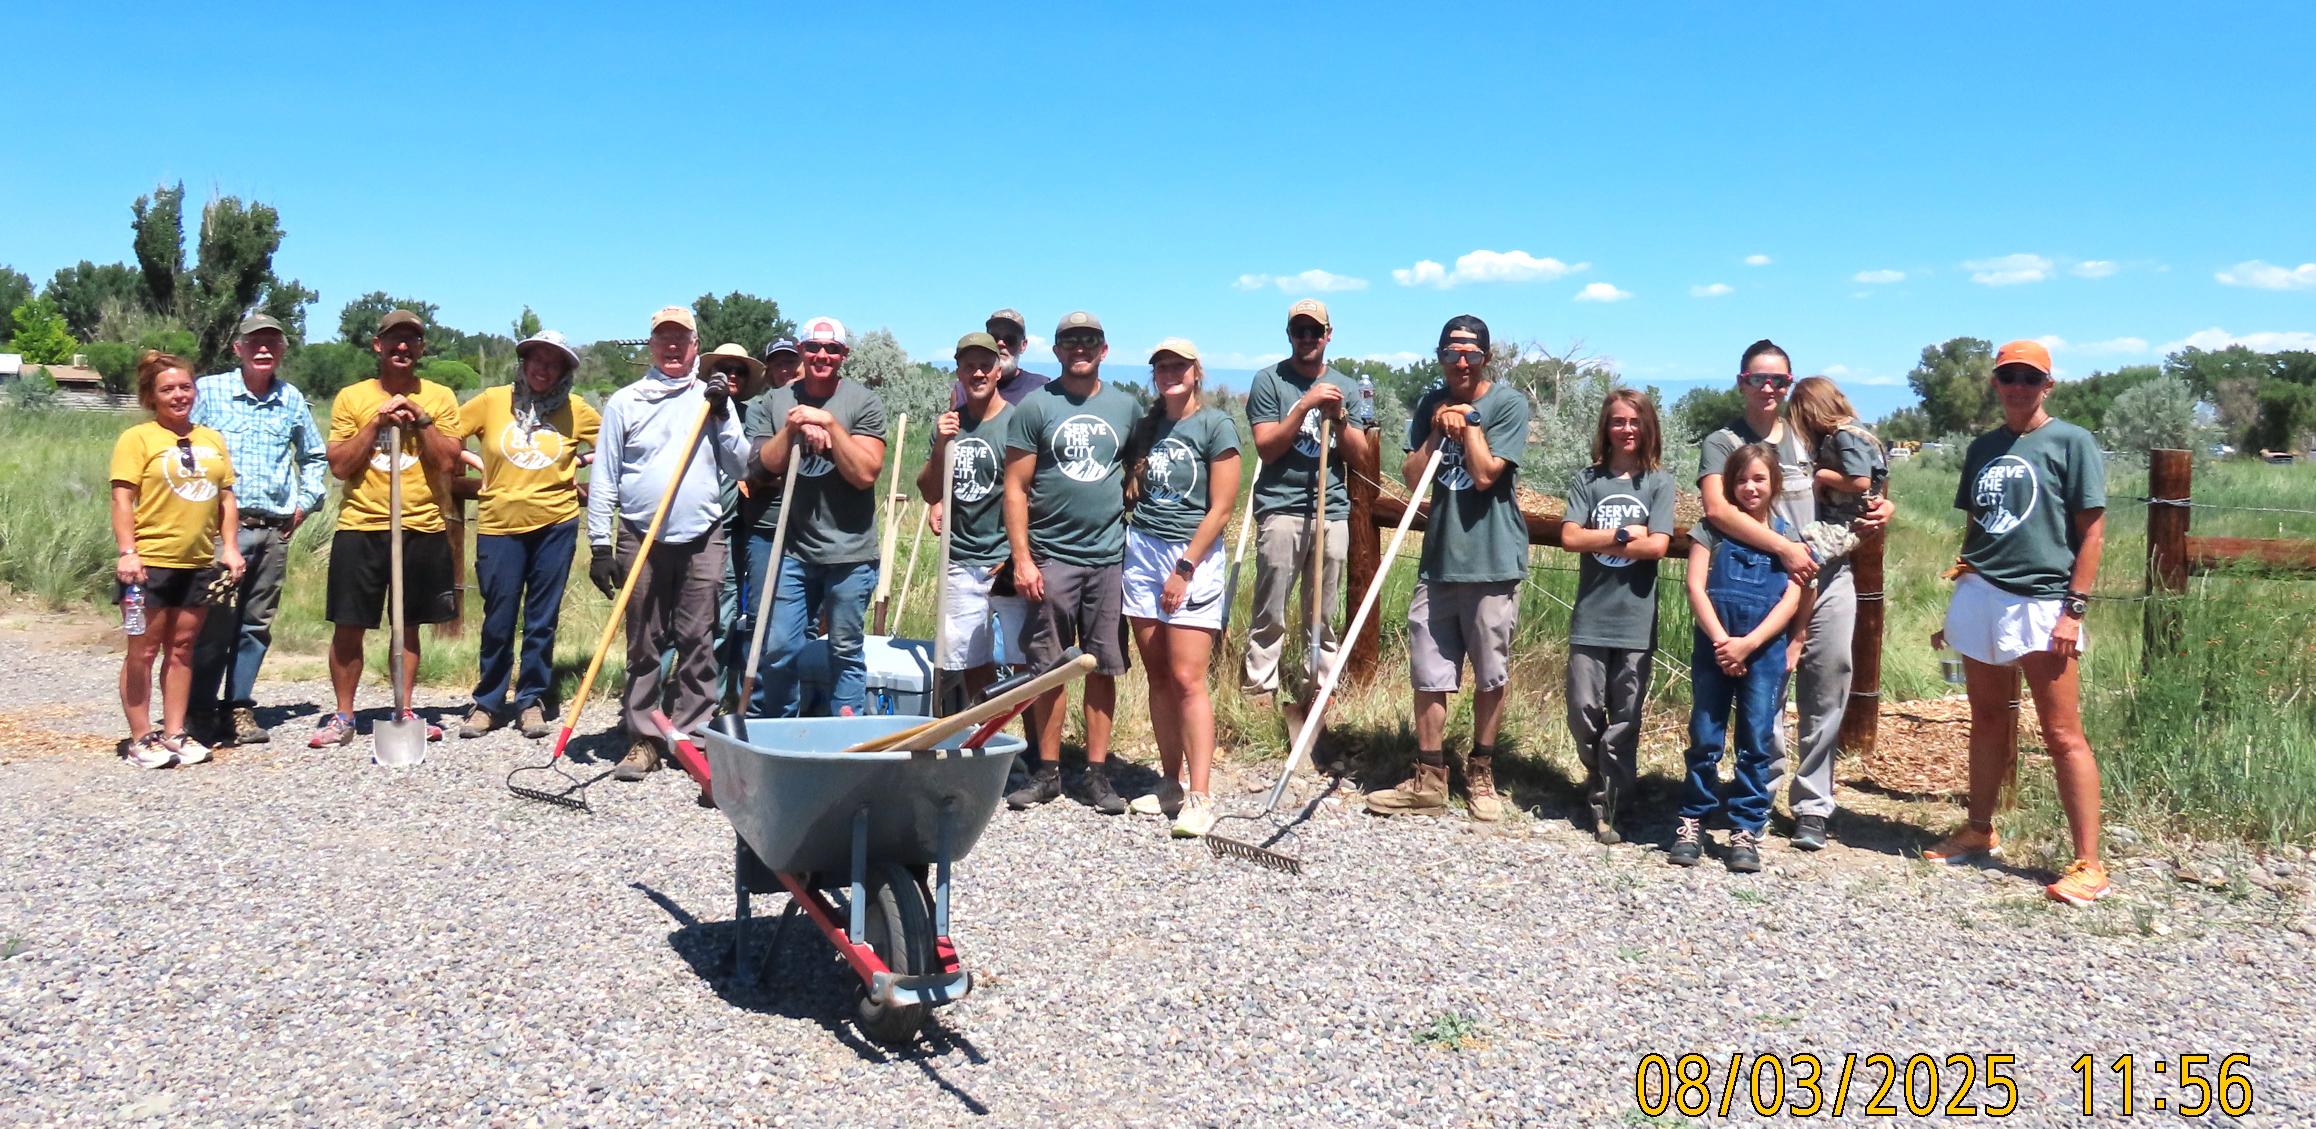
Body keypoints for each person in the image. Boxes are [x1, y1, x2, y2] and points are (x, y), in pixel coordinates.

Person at [1924, 339, 2111, 907]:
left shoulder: (2072, 442)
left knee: (2060, 734)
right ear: (1996, 383)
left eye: (2030, 379)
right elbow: (1981, 529)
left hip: (2043, 601)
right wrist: (1958, 595)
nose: (2019, 387)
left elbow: (2093, 533)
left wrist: (2073, 610)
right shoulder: (1984, 447)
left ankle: (2089, 863)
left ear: (2047, 385)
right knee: (1985, 720)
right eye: (2009, 377)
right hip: (1982, 594)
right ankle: (1979, 828)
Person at [1696, 340, 1893, 851]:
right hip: (1761, 582)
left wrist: (1879, 507)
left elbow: (1860, 481)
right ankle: (1756, 797)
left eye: (1778, 381)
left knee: (1826, 688)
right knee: (1769, 690)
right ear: (1741, 382)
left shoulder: (1810, 435)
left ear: (1789, 384)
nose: (1768, 388)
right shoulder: (1723, 441)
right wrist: (1785, 550)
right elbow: (1718, 511)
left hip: (1827, 579)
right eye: (1758, 379)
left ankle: (1812, 805)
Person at [1365, 315, 1529, 821]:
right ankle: (1430, 776)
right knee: (1429, 672)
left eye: (1471, 353)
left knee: (1489, 674)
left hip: (1492, 560)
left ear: (1486, 357)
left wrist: (1470, 423)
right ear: (1439, 356)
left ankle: (1481, 771)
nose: (1461, 362)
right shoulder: (1430, 404)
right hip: (1439, 562)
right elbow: (1413, 476)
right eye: (1452, 353)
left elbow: (1483, 475)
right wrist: (1438, 430)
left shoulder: (1507, 405)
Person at [586, 306, 750, 780]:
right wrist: (600, 545)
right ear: (651, 345)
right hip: (641, 535)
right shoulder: (626, 402)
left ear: (696, 345)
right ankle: (644, 738)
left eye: (682, 338)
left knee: (699, 640)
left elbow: (740, 466)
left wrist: (721, 415)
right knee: (643, 642)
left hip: (702, 535)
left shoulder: (712, 398)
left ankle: (692, 734)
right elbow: (605, 478)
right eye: (664, 338)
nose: (673, 346)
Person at [1002, 310, 1142, 814]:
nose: (1079, 348)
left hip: (1108, 558)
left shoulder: (1126, 407)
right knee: (1049, 667)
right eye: (1069, 341)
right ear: (1056, 350)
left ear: (1103, 349)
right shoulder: (1037, 406)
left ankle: (1098, 775)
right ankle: (1048, 770)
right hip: (1051, 555)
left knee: (1103, 666)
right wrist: (1022, 558)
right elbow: (1015, 487)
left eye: (1089, 341)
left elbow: (1139, 464)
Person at [315, 311, 465, 748]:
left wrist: (421, 419)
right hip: (361, 524)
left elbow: (449, 461)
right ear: (378, 345)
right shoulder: (352, 397)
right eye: (394, 340)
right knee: (349, 624)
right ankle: (344, 715)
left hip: (420, 523)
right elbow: (341, 465)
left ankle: (404, 708)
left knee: (409, 625)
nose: (403, 348)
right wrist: (376, 425)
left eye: (412, 341)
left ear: (421, 349)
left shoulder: (439, 397)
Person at [1117, 339, 1241, 838]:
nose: (1169, 373)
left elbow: (1222, 507)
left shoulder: (1215, 426)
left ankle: (1200, 794)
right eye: (1161, 367)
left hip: (1191, 556)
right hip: (1143, 550)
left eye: (1178, 366)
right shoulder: (1150, 428)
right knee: (1159, 675)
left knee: (1189, 676)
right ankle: (1169, 782)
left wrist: (1185, 567)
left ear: (1197, 372)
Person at [448, 329, 599, 739]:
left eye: (553, 362)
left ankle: (531, 700)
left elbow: (613, 441)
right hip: (499, 525)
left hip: (556, 524)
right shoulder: (493, 400)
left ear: (564, 370)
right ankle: (488, 702)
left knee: (541, 620)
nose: (542, 368)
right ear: (524, 362)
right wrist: (476, 464)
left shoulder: (577, 409)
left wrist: (582, 458)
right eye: (536, 359)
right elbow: (450, 435)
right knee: (498, 617)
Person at [186, 314, 327, 748]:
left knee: (255, 624)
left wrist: (305, 504)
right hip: (220, 531)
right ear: (238, 349)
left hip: (273, 531)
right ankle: (199, 709)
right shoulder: (208, 391)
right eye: (255, 343)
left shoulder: (290, 398)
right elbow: (179, 444)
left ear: (282, 350)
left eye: (272, 343)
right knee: (214, 623)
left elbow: (315, 456)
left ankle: (239, 708)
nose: (263, 350)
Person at [746, 317, 888, 718]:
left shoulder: (863, 403)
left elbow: (864, 474)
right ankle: (782, 731)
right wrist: (792, 431)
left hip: (851, 553)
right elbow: (759, 469)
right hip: (793, 550)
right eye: (813, 347)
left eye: (832, 349)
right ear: (801, 350)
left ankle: (846, 740)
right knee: (778, 648)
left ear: (844, 356)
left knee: (844, 649)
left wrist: (829, 425)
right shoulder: (775, 402)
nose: (822, 355)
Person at [1673, 445, 1805, 873]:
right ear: (1729, 485)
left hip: (1763, 651)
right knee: (1706, 736)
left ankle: (1746, 828)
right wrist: (1721, 641)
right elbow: (1695, 586)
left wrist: (1749, 644)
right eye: (1742, 480)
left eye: (1759, 479)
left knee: (1755, 741)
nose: (1750, 487)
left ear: (1774, 485)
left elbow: (1793, 597)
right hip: (1714, 646)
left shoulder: (1789, 541)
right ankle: (1692, 819)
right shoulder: (1709, 531)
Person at [112, 350, 245, 767]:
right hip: (148, 564)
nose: (178, 395)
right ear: (152, 396)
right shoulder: (138, 439)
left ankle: (174, 732)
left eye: (185, 387)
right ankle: (140, 737)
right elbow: (122, 498)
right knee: (143, 650)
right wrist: (128, 552)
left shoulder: (211, 438)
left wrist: (230, 548)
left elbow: (226, 497)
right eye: (167, 389)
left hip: (197, 562)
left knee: (183, 648)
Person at [1240, 298, 1373, 708]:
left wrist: (1341, 416)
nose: (1308, 338)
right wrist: (1305, 405)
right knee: (1271, 608)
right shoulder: (1270, 381)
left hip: (1329, 510)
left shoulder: (1347, 386)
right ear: (1290, 336)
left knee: (1323, 610)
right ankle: (1260, 688)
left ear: (1328, 335)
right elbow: (1267, 448)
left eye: (1315, 331)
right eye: (1300, 331)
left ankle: (1320, 686)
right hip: (1281, 508)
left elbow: (1362, 456)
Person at [1558, 389, 1675, 843]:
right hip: (1591, 615)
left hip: (1635, 620)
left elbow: (1658, 546)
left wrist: (1599, 536)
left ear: (1647, 427)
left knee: (1625, 714)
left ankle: (1612, 800)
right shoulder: (1588, 481)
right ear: (1605, 428)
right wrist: (1627, 534)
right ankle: (1596, 776)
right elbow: (1570, 537)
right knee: (1583, 709)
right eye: (1618, 421)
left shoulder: (1658, 483)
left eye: (1634, 421)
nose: (1626, 429)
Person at [918, 332, 1028, 710]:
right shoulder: (950, 425)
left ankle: (1027, 750)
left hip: (1005, 561)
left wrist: (1018, 556)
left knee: (1021, 661)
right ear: (959, 372)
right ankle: (984, 739)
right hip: (961, 561)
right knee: (972, 661)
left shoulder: (1018, 424)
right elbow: (931, 491)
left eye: (985, 365)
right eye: (969, 366)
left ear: (999, 371)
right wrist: (939, 446)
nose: (978, 373)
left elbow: (1033, 494)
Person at [1788, 376, 1889, 567]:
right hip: (1849, 522)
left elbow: (1860, 481)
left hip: (1847, 523)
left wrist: (1822, 476)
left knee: (1803, 554)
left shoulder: (1846, 434)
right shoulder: (1856, 430)